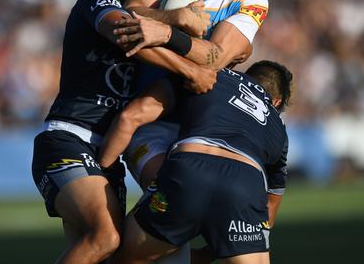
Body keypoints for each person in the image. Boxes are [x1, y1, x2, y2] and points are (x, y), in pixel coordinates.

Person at [30, 0, 214, 264]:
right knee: (106, 237)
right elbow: (126, 31)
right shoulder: (95, 0)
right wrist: (185, 54)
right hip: (69, 137)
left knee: (106, 252)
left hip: (105, 152)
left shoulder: (147, 19)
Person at [116, 0, 270, 194]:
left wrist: (165, 32)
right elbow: (128, 16)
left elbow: (213, 60)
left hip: (205, 126)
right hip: (152, 123)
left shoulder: (251, 0)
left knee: (214, 210)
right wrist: (174, 17)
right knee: (169, 198)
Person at [98, 60, 292, 264]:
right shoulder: (278, 124)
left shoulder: (211, 76)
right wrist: (212, 252)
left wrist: (102, 170)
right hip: (245, 182)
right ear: (277, 102)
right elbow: (269, 208)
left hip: (190, 169)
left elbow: (133, 115)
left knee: (125, 257)